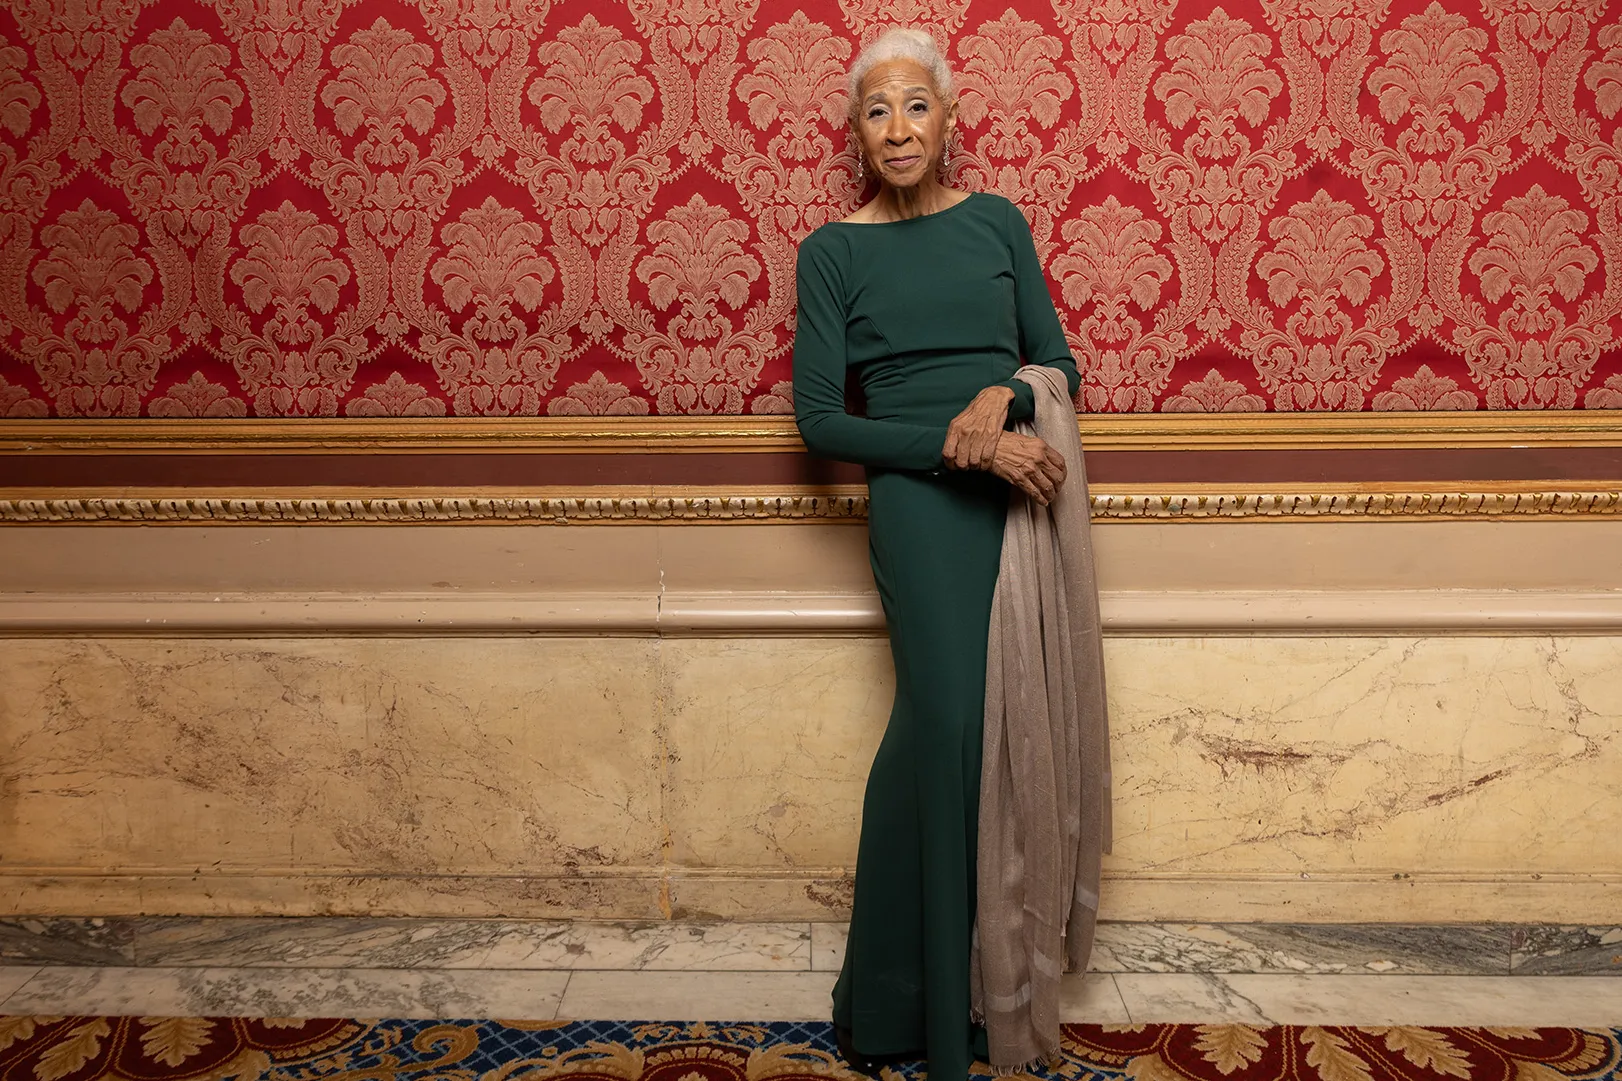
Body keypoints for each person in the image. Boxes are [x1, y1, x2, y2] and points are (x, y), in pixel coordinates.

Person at [791, 26, 1083, 1081]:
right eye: (877, 111)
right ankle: (907, 1009)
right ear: (857, 136)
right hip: (919, 503)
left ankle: (914, 999)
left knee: (980, 737)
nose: (898, 127)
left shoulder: (998, 222)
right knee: (947, 724)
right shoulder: (831, 251)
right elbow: (819, 421)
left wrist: (997, 400)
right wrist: (956, 446)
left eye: (915, 105)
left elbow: (1055, 359)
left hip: (1016, 491)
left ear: (947, 120)